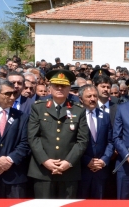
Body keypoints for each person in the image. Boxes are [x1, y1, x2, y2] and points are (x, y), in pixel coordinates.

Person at [27, 69, 89, 199]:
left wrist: (68, 162)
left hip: (69, 171)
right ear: (49, 88)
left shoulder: (78, 110)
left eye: (64, 86)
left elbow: (82, 140)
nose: (60, 88)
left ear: (69, 88)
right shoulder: (38, 107)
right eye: (56, 85)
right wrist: (45, 161)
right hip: (43, 171)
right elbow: (33, 137)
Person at [0, 78, 30, 199]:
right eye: (7, 94)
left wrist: (9, 160)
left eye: (13, 93)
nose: (12, 97)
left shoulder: (22, 117)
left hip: (15, 176)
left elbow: (25, 143)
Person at [77, 85, 114, 199]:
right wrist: (87, 160)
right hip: (82, 169)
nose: (93, 99)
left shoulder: (105, 116)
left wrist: (104, 160)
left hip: (101, 170)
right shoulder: (74, 116)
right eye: (89, 96)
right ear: (81, 99)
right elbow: (72, 142)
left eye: (95, 96)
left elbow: (111, 141)